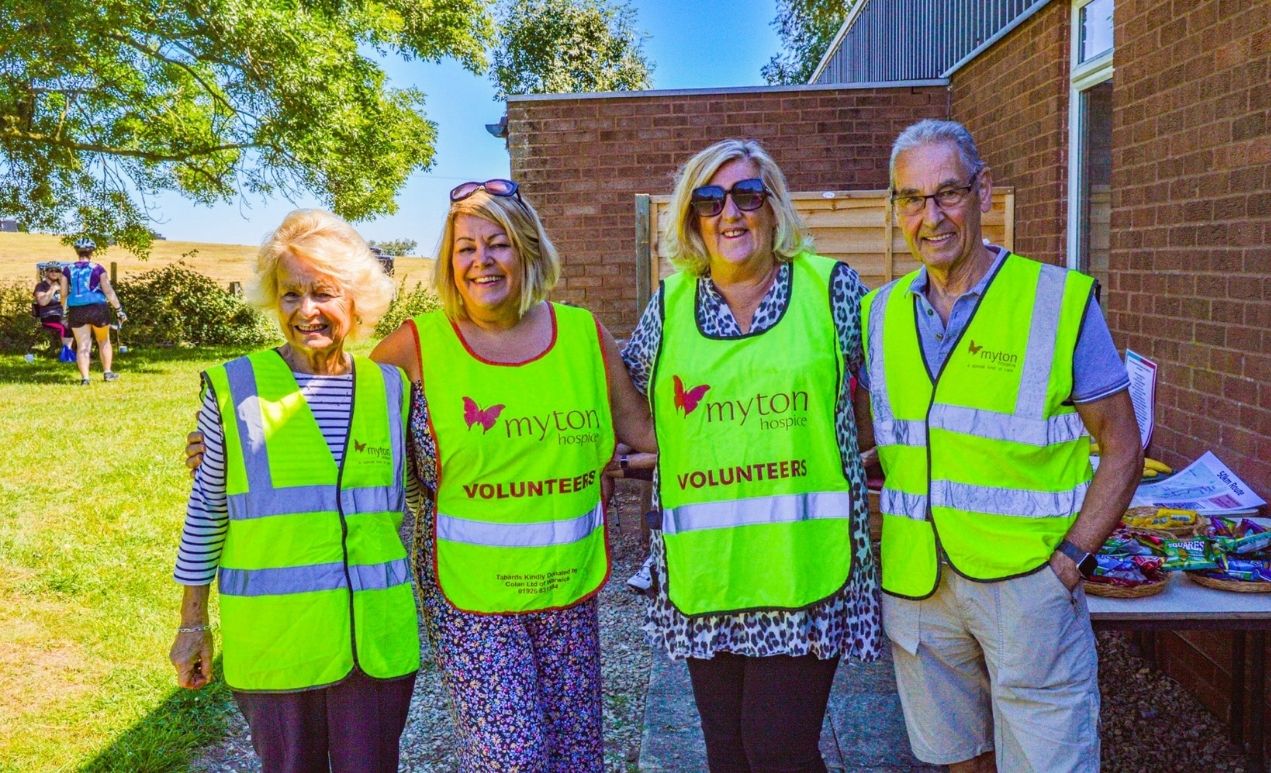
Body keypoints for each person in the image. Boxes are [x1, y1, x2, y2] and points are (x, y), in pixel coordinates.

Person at [859, 119, 1142, 772]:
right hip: (917, 584)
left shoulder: (1053, 300)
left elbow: (1122, 444)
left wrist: (1070, 560)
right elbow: (895, 435)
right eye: (911, 198)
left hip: (1026, 586)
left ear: (982, 191)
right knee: (957, 757)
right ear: (896, 208)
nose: (931, 216)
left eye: (947, 192)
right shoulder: (878, 315)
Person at [622, 139, 879, 771]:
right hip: (709, 573)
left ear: (773, 208)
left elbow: (887, 395)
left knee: (777, 752)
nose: (729, 213)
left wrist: (874, 472)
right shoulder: (670, 305)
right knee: (728, 755)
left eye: (746, 195)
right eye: (710, 200)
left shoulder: (831, 289)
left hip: (804, 573)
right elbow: (635, 410)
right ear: (692, 219)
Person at [169, 209, 420, 772]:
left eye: (324, 293)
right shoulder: (236, 387)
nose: (307, 310)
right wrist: (192, 624)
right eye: (290, 295)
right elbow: (207, 510)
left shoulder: (392, 389)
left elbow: (427, 483)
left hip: (374, 645)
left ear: (356, 299)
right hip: (277, 642)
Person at [59, 238, 126, 384]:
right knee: (103, 340)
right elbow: (108, 290)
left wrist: (64, 312)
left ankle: (85, 379)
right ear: (92, 252)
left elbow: (63, 294)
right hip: (97, 308)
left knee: (82, 345)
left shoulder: (67, 269)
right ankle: (107, 373)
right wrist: (119, 310)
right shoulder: (98, 268)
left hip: (77, 309)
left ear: (77, 252)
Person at [32, 262, 74, 361]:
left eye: (57, 270)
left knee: (80, 324)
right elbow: (42, 302)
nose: (54, 272)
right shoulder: (41, 286)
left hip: (64, 315)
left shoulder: (64, 285)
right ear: (46, 272)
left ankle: (81, 353)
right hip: (48, 316)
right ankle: (67, 355)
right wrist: (53, 289)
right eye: (51, 270)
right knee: (65, 326)